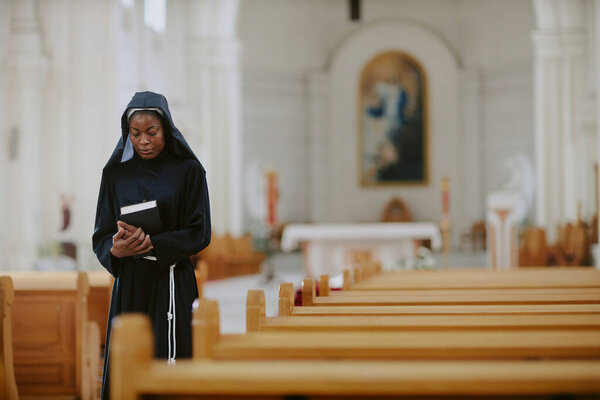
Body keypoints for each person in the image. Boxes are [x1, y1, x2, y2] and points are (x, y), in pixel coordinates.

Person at [92, 91, 211, 399]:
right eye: (135, 134)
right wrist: (115, 250)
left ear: (166, 130)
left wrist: (151, 244)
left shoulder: (189, 171)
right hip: (130, 283)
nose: (143, 140)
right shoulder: (115, 174)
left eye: (151, 132)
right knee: (128, 360)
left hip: (172, 278)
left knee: (171, 364)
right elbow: (101, 234)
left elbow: (199, 231)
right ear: (127, 134)